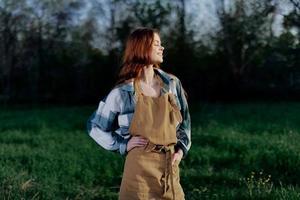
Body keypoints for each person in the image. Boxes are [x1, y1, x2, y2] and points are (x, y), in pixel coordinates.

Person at [87, 27, 191, 200]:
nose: (162, 47)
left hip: (169, 165)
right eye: (156, 44)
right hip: (139, 170)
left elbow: (185, 122)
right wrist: (123, 145)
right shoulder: (123, 92)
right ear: (142, 48)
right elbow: (95, 127)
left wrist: (180, 151)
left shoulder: (172, 84)